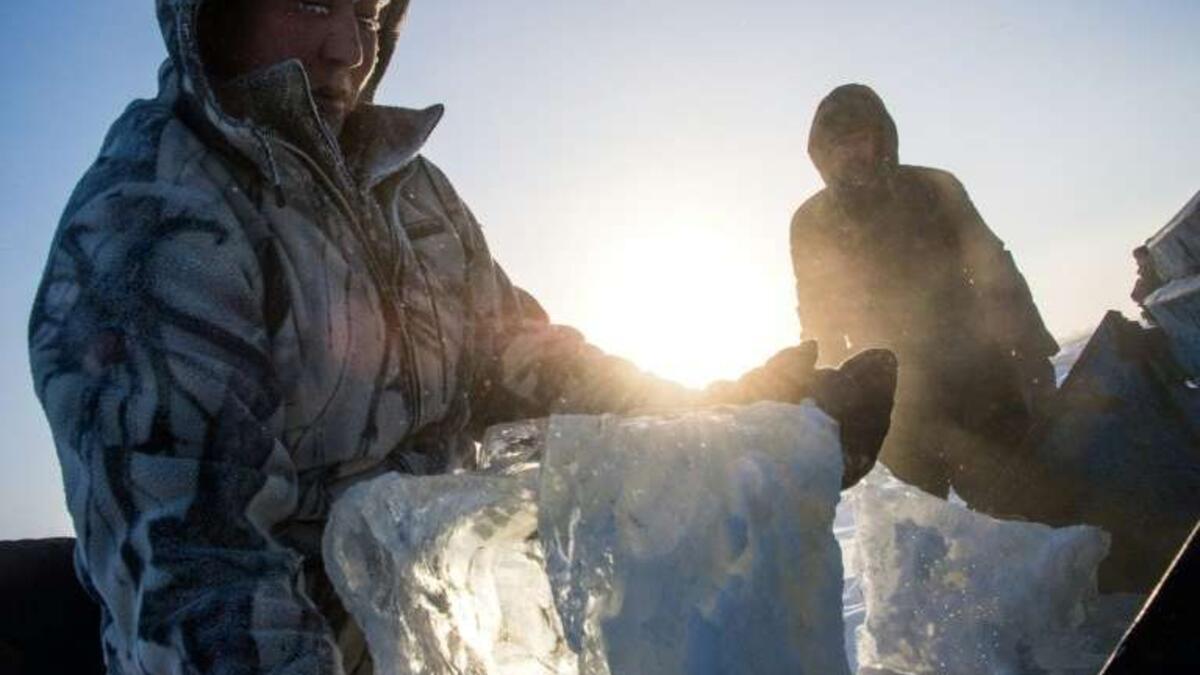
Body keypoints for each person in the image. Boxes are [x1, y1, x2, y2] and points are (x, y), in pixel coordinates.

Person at [27, 3, 895, 673]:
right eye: (309, 2)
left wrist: (743, 423)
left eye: (367, 14)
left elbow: (533, 365)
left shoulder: (415, 194)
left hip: (431, 641)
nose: (349, 48)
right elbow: (198, 569)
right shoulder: (152, 225)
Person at [790, 83, 1058, 500]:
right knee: (920, 536)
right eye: (838, 145)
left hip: (980, 378)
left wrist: (1032, 352)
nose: (851, 153)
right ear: (822, 156)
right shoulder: (811, 222)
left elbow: (994, 269)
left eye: (860, 139)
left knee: (1024, 507)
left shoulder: (936, 187)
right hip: (896, 400)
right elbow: (818, 314)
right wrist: (829, 400)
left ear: (881, 138)